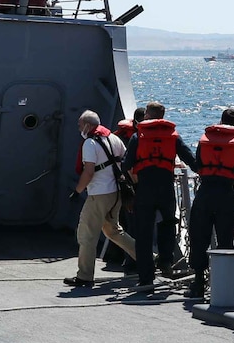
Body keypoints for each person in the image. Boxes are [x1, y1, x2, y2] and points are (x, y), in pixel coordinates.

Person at [122, 101, 197, 292]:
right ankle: (165, 260)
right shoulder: (173, 136)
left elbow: (126, 164)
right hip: (166, 188)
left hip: (145, 188)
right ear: (162, 116)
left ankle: (146, 278)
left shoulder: (138, 136)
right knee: (168, 223)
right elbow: (190, 159)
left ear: (147, 115)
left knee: (143, 233)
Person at [185, 108, 234, 299]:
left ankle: (198, 283)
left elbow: (198, 164)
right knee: (225, 240)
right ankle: (223, 287)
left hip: (205, 192)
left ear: (220, 120)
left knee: (199, 238)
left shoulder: (205, 140)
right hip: (226, 193)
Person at [65, 110, 138, 288]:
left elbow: (89, 171)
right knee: (114, 231)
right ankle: (149, 259)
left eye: (80, 124)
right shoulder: (114, 138)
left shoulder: (90, 144)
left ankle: (84, 276)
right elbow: (127, 164)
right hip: (116, 193)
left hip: (99, 194)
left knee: (87, 235)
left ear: (88, 126)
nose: (79, 128)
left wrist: (77, 191)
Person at [104, 106, 146, 270]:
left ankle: (117, 256)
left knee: (121, 223)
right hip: (131, 187)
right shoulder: (135, 139)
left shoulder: (121, 137)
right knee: (132, 225)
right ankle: (132, 260)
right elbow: (129, 166)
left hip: (119, 186)